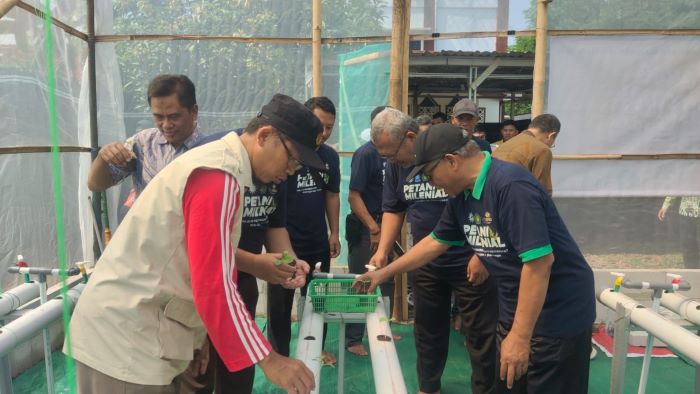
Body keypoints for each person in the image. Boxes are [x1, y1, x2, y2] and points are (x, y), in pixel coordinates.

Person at [66, 94, 322, 394]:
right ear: (265, 136)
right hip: (127, 341)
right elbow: (215, 285)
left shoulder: (228, 170)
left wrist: (198, 337)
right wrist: (270, 360)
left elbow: (200, 263)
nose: (292, 170)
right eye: (292, 158)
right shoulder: (218, 175)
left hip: (149, 330)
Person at [358, 124, 595, 394]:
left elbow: (539, 264)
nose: (431, 183)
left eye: (429, 175)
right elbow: (436, 241)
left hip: (557, 313)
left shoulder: (511, 186)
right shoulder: (463, 195)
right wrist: (383, 272)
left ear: (451, 162)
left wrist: (519, 336)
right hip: (515, 308)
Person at [369, 109, 498, 394]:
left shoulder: (455, 155)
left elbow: (489, 204)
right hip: (426, 259)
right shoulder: (396, 167)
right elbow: (394, 209)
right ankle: (429, 387)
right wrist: (384, 251)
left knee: (481, 335)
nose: (391, 161)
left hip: (471, 260)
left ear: (411, 138)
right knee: (427, 330)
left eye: (392, 153)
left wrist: (484, 253)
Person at [267, 96, 341, 365]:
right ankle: (279, 354)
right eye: (320, 124)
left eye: (330, 127)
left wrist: (334, 232)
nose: (324, 132)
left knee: (318, 298)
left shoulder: (330, 156)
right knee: (280, 303)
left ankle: (317, 349)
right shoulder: (285, 153)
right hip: (284, 241)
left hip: (317, 242)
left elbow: (332, 195)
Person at [87, 74, 204, 198]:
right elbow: (95, 185)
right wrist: (103, 157)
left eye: (174, 116)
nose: (166, 125)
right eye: (158, 117)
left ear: (193, 112)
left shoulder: (208, 150)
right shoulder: (142, 143)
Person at [345, 105, 392, 356]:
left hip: (387, 227)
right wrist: (373, 228)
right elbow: (354, 197)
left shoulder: (392, 154)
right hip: (367, 228)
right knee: (361, 280)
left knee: (386, 280)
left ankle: (382, 328)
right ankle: (353, 339)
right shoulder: (366, 154)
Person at [492, 114, 560, 195]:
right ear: (551, 135)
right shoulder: (542, 149)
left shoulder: (504, 145)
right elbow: (542, 191)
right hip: (514, 201)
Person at [658, 196, 700, 268]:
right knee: (688, 247)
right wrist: (665, 206)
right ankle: (691, 274)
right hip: (686, 213)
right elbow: (677, 187)